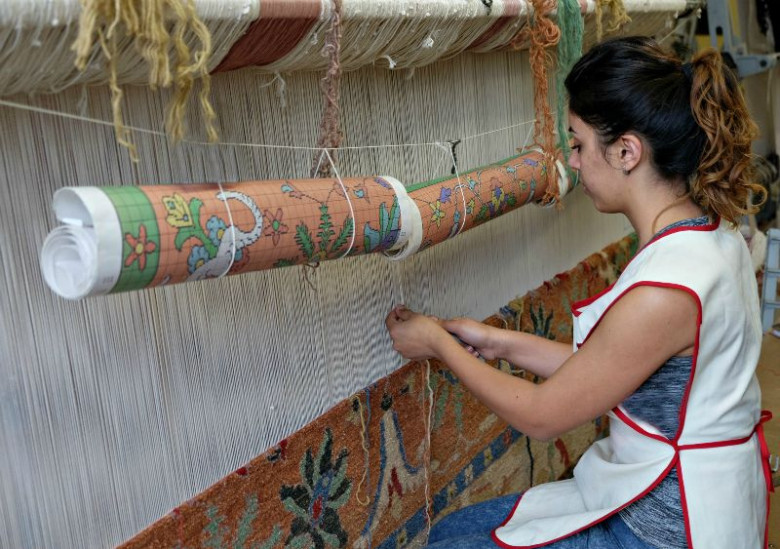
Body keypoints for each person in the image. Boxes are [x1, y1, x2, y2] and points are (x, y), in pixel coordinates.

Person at [385, 36, 772, 548]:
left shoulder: (666, 292)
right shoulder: (714, 235)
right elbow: (611, 367)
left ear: (627, 152)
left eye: (578, 144)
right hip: (696, 493)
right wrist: (496, 342)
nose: (572, 162)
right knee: (455, 532)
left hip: (667, 525)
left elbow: (542, 416)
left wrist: (439, 345)